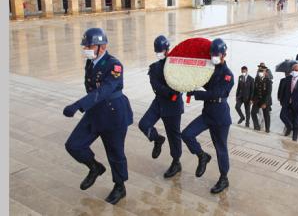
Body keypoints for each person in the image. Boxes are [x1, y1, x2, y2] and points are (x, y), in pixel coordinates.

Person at [63, 28, 133, 204]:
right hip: (94, 112)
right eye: (85, 45)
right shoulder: (90, 62)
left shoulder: (114, 65)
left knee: (115, 153)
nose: (86, 48)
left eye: (90, 45)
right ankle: (95, 167)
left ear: (102, 46)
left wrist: (79, 104)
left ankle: (120, 187)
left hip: (113, 114)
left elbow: (105, 90)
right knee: (73, 145)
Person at [182, 38, 234, 194]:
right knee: (186, 134)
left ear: (224, 55)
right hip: (207, 114)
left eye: (217, 55)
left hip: (220, 118)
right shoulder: (210, 69)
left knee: (221, 149)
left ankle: (224, 178)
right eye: (213, 54)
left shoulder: (228, 75)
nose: (214, 57)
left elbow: (216, 93)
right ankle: (202, 156)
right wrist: (190, 80)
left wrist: (196, 93)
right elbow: (205, 82)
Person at [138, 35, 184, 180]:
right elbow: (156, 86)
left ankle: (176, 162)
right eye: (157, 50)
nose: (160, 53)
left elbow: (181, 85)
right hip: (159, 103)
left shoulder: (176, 66)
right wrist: (170, 91)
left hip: (173, 107)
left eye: (162, 50)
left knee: (174, 136)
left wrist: (172, 91)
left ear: (167, 50)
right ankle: (157, 139)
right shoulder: (154, 67)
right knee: (144, 124)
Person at [280, 63, 298, 141]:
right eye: (293, 70)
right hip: (286, 102)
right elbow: (283, 90)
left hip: (297, 104)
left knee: (296, 122)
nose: (294, 71)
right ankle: (289, 127)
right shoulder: (287, 78)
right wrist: (281, 100)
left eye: (296, 70)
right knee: (282, 116)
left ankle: (294, 138)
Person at [250, 66, 272, 132]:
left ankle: (267, 129)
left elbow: (268, 93)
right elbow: (254, 90)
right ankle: (257, 127)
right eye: (260, 71)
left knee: (266, 115)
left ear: (265, 72)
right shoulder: (256, 79)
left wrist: (265, 103)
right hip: (257, 99)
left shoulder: (268, 81)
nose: (261, 72)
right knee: (253, 113)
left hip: (265, 100)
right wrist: (252, 99)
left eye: (262, 71)